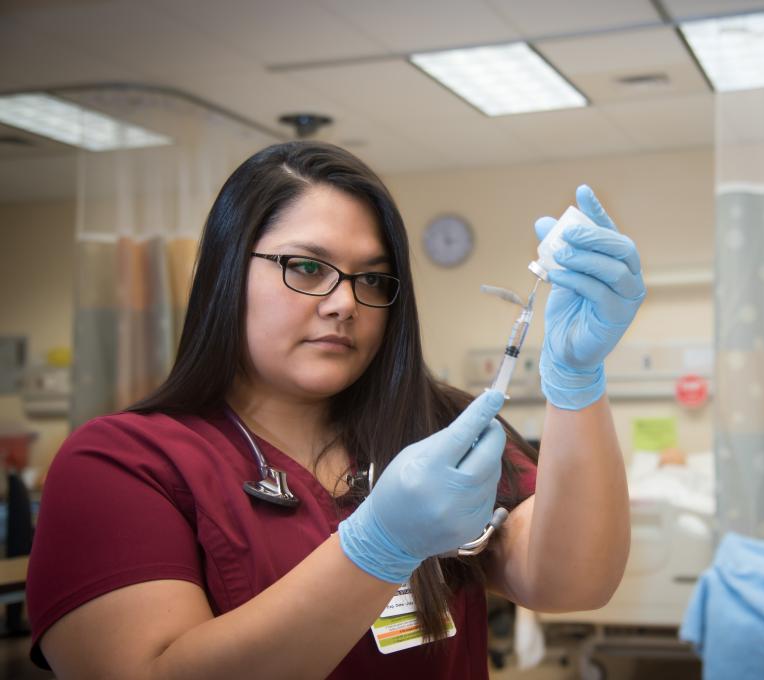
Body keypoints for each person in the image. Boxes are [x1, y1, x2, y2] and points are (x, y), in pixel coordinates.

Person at [27, 141, 646, 678]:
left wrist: (575, 381)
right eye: (306, 267)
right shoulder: (120, 465)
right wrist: (378, 545)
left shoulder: (439, 429)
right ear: (224, 272)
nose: (344, 303)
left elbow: (571, 580)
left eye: (372, 280)